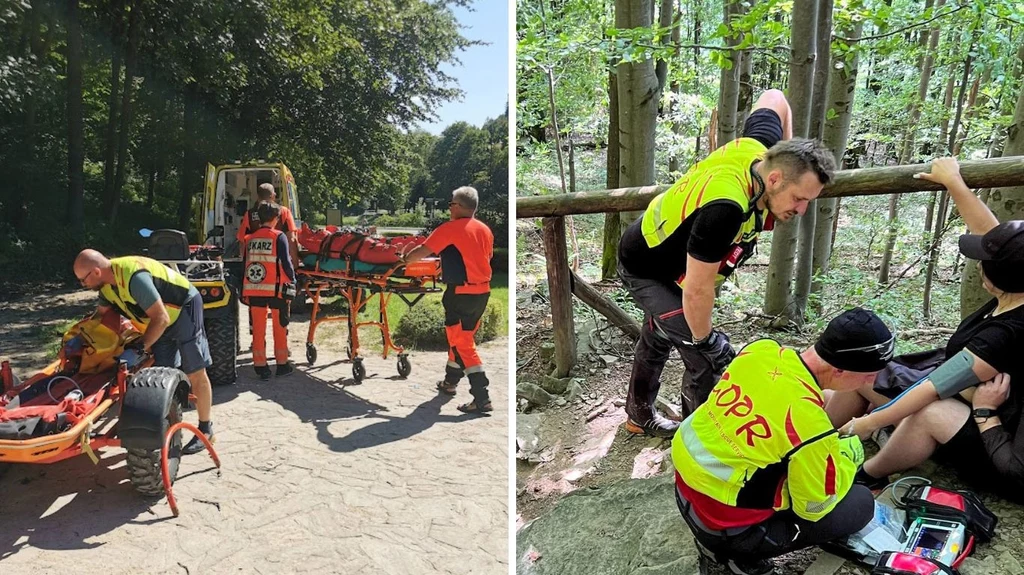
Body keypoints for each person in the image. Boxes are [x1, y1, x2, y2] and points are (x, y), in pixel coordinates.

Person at [617, 89, 837, 437]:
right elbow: (697, 289)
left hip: (671, 263)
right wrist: (706, 341)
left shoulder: (762, 150)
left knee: (661, 330)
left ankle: (639, 414)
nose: (801, 210)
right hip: (646, 267)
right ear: (775, 179)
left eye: (809, 200)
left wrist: (792, 151)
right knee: (701, 352)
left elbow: (776, 97)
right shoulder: (726, 208)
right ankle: (697, 439)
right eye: (798, 198)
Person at [830, 158, 1024, 498]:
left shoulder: (1006, 333)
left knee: (928, 411)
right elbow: (992, 235)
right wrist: (955, 184)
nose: (980, 263)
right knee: (864, 372)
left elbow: (935, 387)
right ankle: (814, 438)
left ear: (998, 278)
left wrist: (868, 424)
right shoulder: (1016, 288)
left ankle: (867, 476)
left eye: (986, 262)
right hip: (966, 396)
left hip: (994, 430)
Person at [672, 308, 894, 575]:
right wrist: (846, 457)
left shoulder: (761, 351)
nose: (873, 382)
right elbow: (812, 507)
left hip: (685, 492)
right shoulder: (810, 426)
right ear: (839, 370)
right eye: (869, 375)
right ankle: (744, 561)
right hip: (728, 530)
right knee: (860, 502)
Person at [73, 249, 216, 454]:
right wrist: (81, 336)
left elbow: (162, 318)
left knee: (195, 370)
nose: (83, 285)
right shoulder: (106, 288)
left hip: (183, 308)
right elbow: (101, 318)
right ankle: (168, 423)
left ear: (96, 272)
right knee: (162, 376)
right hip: (159, 318)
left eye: (83, 280)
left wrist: (140, 347)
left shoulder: (134, 278)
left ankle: (206, 428)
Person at [401, 186, 494, 414]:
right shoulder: (484, 230)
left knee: (462, 343)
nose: (449, 207)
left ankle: (482, 397)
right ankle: (450, 383)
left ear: (460, 207)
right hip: (482, 293)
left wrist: (405, 259)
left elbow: (422, 252)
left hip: (460, 294)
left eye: (451, 203)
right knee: (461, 338)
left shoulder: (450, 229)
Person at [242, 201, 297, 380]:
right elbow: (286, 262)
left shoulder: (250, 238)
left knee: (258, 329)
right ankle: (282, 364)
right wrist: (293, 280)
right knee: (280, 326)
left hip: (255, 289)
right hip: (276, 289)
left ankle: (261, 367)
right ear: (276, 218)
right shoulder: (278, 236)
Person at [237, 182, 299, 267]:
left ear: (258, 196)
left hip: (256, 266)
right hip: (278, 266)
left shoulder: (249, 214)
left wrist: (245, 265)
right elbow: (291, 239)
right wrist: (295, 265)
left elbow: (242, 242)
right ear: (273, 196)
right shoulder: (284, 212)